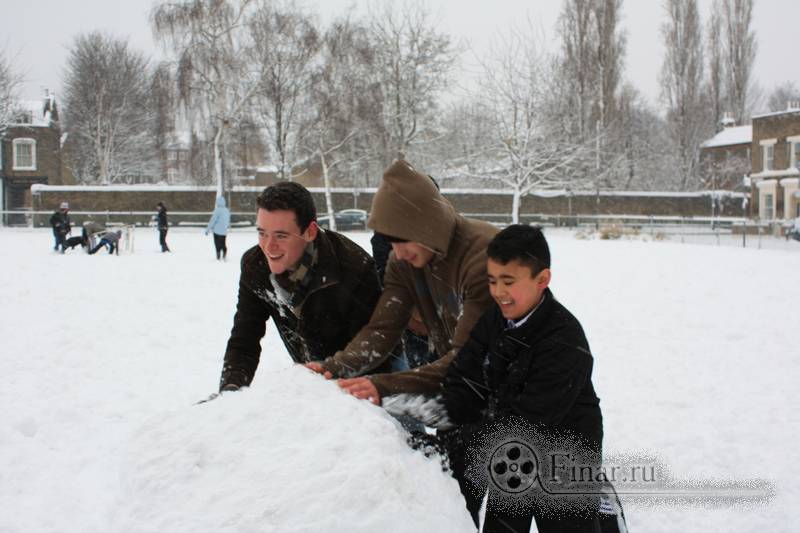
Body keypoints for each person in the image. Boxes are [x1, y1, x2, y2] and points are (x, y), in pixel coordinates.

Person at [441, 225, 603, 532]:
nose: (498, 292)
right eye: (492, 281)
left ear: (542, 280)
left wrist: (472, 426)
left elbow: (529, 424)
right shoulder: (496, 317)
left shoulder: (565, 340)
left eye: (508, 281)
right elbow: (463, 374)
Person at [307, 159, 497, 403]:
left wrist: (385, 385)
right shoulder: (403, 262)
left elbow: (469, 356)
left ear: (427, 225)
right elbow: (383, 329)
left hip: (521, 384)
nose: (398, 251)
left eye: (403, 240)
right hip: (463, 383)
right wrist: (332, 367)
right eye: (390, 242)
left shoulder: (482, 258)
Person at [216, 181, 387, 393]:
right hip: (315, 375)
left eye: (281, 235)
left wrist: (333, 387)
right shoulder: (255, 266)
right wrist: (231, 389)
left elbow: (372, 346)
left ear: (310, 232)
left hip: (373, 374)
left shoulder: (354, 268)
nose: (269, 246)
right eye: (262, 233)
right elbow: (245, 337)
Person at [205, 196, 231, 260]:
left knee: (217, 244)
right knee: (223, 243)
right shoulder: (226, 210)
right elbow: (227, 220)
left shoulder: (217, 210)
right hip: (224, 231)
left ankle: (218, 255)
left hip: (217, 231)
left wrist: (208, 230)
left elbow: (213, 220)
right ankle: (224, 253)